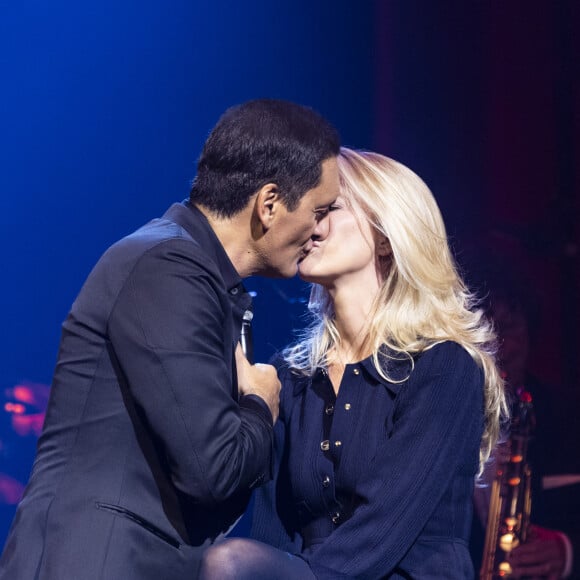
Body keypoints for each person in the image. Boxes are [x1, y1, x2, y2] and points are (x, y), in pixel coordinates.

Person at [0, 98, 341, 580]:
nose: (321, 229)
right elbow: (214, 469)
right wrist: (260, 404)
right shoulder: (167, 268)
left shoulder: (202, 279)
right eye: (319, 210)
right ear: (268, 204)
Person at [199, 148, 508, 579]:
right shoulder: (292, 377)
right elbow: (272, 529)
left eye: (328, 209)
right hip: (313, 573)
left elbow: (384, 528)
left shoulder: (444, 367)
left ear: (385, 236)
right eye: (309, 210)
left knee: (228, 564)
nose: (309, 226)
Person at [469, 261, 580, 579]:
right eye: (489, 327)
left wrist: (568, 551)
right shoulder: (428, 421)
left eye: (512, 325)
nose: (504, 345)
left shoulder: (568, 416)